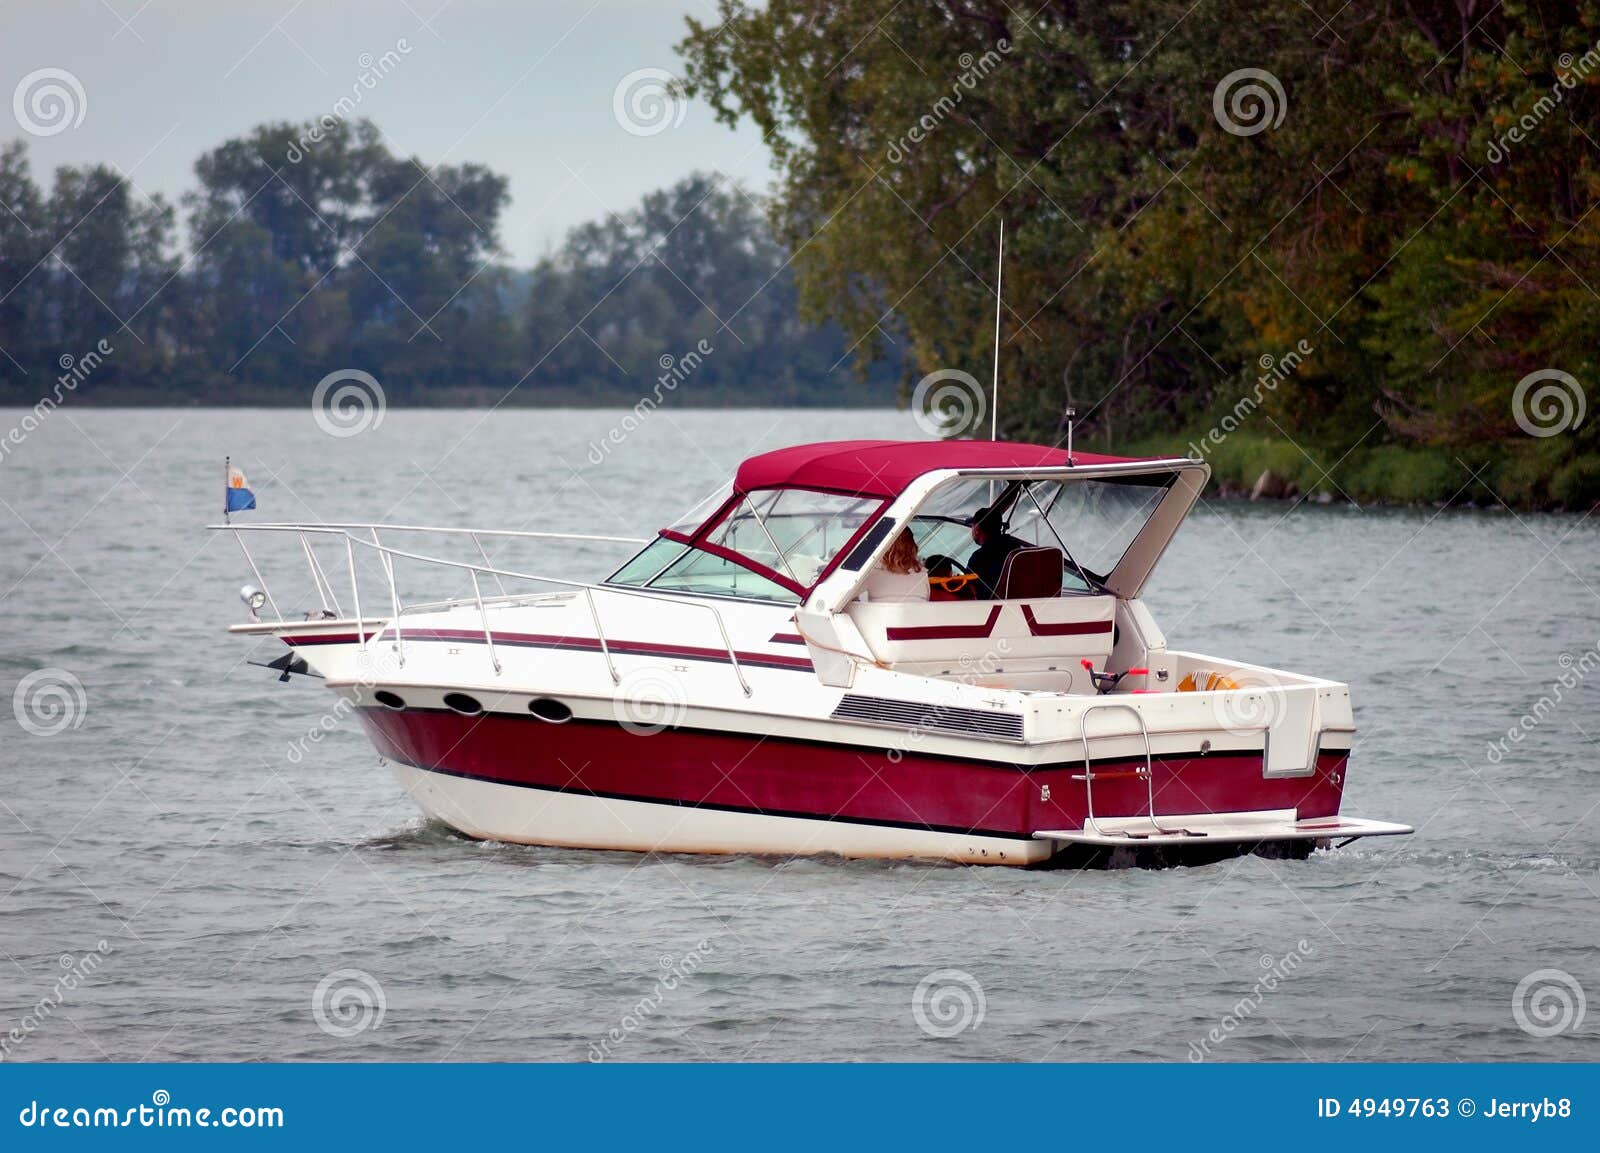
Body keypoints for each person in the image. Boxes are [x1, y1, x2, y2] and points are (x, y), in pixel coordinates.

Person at [967, 506, 1028, 599]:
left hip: (990, 608)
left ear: (977, 529)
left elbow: (967, 591)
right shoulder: (1016, 548)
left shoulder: (978, 558)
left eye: (972, 526)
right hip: (1023, 601)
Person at [860, 528, 929, 602]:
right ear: (912, 546)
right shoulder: (922, 574)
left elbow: (848, 598)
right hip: (916, 613)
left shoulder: (871, 571)